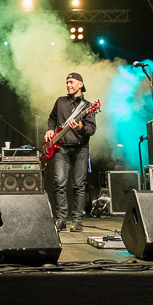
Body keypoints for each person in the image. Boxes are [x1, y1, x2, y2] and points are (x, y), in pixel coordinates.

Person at [44, 72, 96, 233]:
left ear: (80, 84)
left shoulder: (88, 106)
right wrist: (50, 130)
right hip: (61, 148)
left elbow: (91, 129)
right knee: (59, 183)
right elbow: (52, 118)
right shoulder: (60, 101)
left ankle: (77, 221)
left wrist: (80, 128)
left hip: (81, 149)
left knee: (78, 185)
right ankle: (61, 220)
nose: (68, 85)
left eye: (71, 82)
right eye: (67, 82)